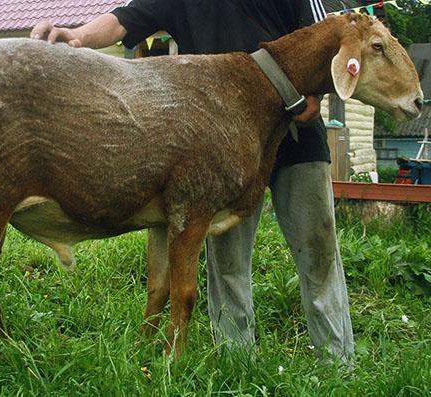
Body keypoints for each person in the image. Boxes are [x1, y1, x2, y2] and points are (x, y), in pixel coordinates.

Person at [31, 0, 354, 362]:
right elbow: (125, 20)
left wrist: (316, 98)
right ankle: (235, 359)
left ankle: (335, 361)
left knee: (318, 251)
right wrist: (77, 35)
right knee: (227, 263)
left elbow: (328, 36)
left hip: (297, 135)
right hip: (220, 149)